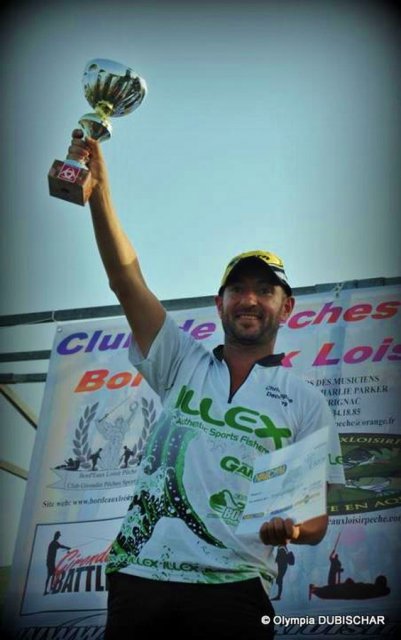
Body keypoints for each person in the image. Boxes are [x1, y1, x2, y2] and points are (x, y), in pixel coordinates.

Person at [67, 130, 345, 639]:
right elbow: (125, 279)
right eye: (237, 289)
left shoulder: (307, 403)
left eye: (265, 290)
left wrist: (293, 529)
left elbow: (316, 520)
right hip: (142, 578)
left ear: (286, 307)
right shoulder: (181, 360)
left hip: (236, 587)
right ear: (219, 304)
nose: (249, 299)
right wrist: (100, 191)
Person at [44, 531, 71, 595]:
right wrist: (67, 548)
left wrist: (67, 548)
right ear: (56, 536)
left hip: (50, 561)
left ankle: (49, 589)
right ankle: (49, 589)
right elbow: (61, 546)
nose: (58, 537)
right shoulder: (54, 543)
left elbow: (60, 546)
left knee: (51, 575)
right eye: (58, 536)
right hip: (50, 562)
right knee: (50, 575)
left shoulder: (53, 543)